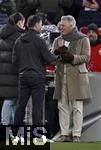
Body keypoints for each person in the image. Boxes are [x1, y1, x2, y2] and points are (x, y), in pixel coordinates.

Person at [52, 15, 92, 142]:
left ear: (71, 25)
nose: (60, 27)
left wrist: (72, 57)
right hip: (61, 76)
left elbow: (86, 57)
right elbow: (52, 58)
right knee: (62, 106)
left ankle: (76, 135)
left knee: (77, 107)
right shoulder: (58, 40)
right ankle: (64, 134)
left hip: (77, 77)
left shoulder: (83, 38)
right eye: (60, 25)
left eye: (63, 25)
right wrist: (57, 55)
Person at [12, 15, 56, 127]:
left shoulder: (18, 40)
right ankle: (37, 136)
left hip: (23, 77)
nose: (41, 27)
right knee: (37, 107)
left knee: (20, 106)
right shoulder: (40, 40)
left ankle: (16, 135)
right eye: (41, 24)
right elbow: (49, 59)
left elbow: (14, 61)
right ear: (36, 25)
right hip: (37, 77)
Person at [0, 12, 25, 125]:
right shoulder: (19, 36)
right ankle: (7, 123)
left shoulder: (4, 35)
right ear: (19, 22)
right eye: (23, 23)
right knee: (11, 100)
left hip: (4, 72)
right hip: (15, 72)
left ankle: (9, 124)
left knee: (11, 99)